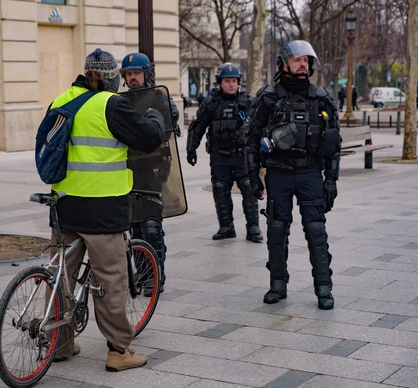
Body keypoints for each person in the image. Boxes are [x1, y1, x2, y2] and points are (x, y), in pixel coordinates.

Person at [46, 48, 165, 371]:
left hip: (64, 204)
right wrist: (155, 115)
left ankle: (59, 344)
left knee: (62, 275)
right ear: (113, 77)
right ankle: (118, 351)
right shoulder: (111, 104)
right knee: (111, 278)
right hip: (102, 209)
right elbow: (149, 138)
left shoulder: (61, 101)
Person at [245, 40, 341, 310]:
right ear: (284, 63)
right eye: (298, 59)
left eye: (306, 60)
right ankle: (278, 284)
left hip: (311, 173)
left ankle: (324, 288)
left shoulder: (321, 98)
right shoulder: (268, 97)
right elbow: (251, 139)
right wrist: (253, 176)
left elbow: (334, 142)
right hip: (279, 174)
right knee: (276, 230)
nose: (303, 64)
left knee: (316, 230)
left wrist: (331, 179)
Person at [120, 52, 180, 295]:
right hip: (129, 170)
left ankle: (157, 276)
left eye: (137, 73)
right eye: (129, 74)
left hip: (154, 170)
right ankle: (143, 275)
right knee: (134, 228)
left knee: (152, 227)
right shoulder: (120, 101)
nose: (133, 78)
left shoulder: (160, 97)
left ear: (147, 74)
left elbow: (169, 126)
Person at [186, 63, 263, 243]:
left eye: (234, 81)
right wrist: (191, 148)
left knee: (247, 186)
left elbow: (259, 126)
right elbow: (198, 126)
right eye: (227, 81)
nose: (231, 84)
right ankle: (226, 227)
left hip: (241, 155)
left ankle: (253, 228)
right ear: (220, 82)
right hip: (219, 155)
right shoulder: (211, 103)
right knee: (220, 188)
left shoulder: (248, 102)